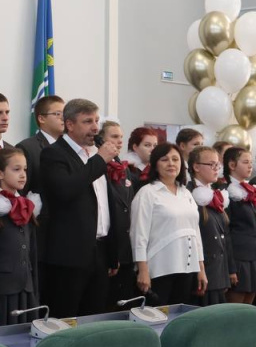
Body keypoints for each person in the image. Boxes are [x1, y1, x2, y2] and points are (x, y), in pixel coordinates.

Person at [38, 98, 120, 318]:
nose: (95, 127)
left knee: (94, 319)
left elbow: (105, 206)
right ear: (70, 124)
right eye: (87, 121)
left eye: (96, 121)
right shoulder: (54, 154)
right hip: (69, 255)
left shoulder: (95, 155)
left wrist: (112, 253)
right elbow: (66, 190)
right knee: (66, 318)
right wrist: (100, 160)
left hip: (99, 252)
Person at [131, 144, 207, 306]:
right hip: (159, 268)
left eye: (175, 159)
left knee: (179, 318)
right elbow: (138, 235)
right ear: (155, 164)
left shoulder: (186, 193)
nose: (171, 164)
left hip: (187, 268)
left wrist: (201, 268)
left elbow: (195, 233)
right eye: (164, 160)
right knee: (157, 316)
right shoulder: (147, 193)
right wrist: (143, 270)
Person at [0, 147, 41, 326]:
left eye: (24, 169)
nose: (23, 175)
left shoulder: (27, 206)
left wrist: (35, 294)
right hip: (2, 291)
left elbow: (32, 255)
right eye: (16, 170)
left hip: (25, 289)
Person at [188, 146, 233, 305]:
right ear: (196, 166)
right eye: (211, 165)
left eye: (218, 165)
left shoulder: (215, 194)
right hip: (203, 268)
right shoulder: (189, 192)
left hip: (218, 270)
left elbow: (224, 236)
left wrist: (227, 272)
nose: (216, 169)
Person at [224, 147, 256, 305]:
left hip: (255, 255)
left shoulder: (253, 191)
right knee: (235, 309)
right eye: (245, 162)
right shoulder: (226, 191)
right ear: (232, 165)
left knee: (248, 308)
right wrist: (231, 266)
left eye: (251, 162)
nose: (250, 166)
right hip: (238, 257)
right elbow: (226, 231)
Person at [101, 120, 137, 308]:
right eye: (114, 137)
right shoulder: (98, 167)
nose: (120, 141)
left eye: (121, 137)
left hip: (126, 247)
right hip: (109, 245)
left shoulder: (125, 170)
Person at [16, 95, 64, 193]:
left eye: (65, 114)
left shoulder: (68, 147)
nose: (63, 118)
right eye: (58, 114)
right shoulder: (27, 148)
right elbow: (22, 189)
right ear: (42, 119)